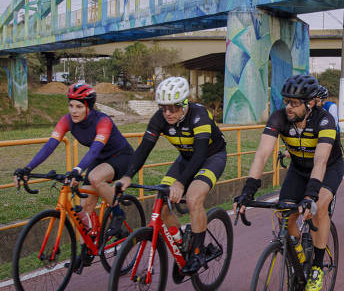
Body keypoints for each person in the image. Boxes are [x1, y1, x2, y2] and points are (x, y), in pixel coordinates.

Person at [235, 74, 343, 291]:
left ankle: (316, 268)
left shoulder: (324, 121)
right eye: (286, 102)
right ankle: (299, 255)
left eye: (294, 103)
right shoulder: (279, 118)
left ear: (310, 103)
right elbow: (261, 155)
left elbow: (321, 161)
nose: (288, 108)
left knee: (319, 207)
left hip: (327, 169)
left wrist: (310, 195)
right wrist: (248, 190)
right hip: (298, 169)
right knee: (285, 213)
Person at [116, 76, 227, 275]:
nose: (167, 113)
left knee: (193, 198)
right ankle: (182, 245)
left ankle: (198, 252)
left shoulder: (199, 115)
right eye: (163, 107)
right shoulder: (159, 118)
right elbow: (144, 149)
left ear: (184, 104)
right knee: (162, 204)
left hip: (211, 157)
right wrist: (127, 175)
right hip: (185, 158)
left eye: (173, 108)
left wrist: (181, 182)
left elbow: (200, 154)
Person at [14, 83, 134, 252]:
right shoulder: (66, 120)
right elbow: (50, 146)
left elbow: (94, 150)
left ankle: (118, 212)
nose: (73, 111)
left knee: (95, 177)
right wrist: (28, 168)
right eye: (71, 105)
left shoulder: (103, 121)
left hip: (122, 157)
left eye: (79, 106)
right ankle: (86, 250)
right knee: (82, 210)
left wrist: (78, 170)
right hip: (100, 160)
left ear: (88, 108)